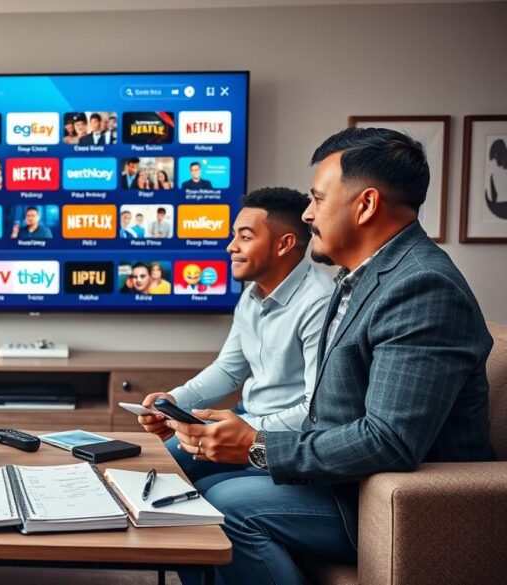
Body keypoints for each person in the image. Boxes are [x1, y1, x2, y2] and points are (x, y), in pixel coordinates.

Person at [144, 129, 495, 584]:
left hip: (388, 499)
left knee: (216, 506)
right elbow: (327, 407)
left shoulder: (422, 287)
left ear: (365, 205)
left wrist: (256, 443)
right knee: (198, 490)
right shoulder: (360, 277)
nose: (307, 214)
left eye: (317, 199)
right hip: (343, 478)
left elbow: (390, 439)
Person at [138, 187, 333, 498]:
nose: (230, 247)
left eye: (244, 237)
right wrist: (174, 402)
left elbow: (314, 412)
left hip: (283, 443)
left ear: (284, 244)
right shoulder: (251, 295)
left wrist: (247, 432)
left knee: (207, 492)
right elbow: (229, 370)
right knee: (157, 464)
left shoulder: (320, 302)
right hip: (246, 420)